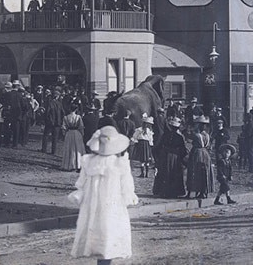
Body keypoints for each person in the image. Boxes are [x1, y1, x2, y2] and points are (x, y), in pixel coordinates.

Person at [69, 126, 138, 263]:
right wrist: (128, 197)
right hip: (112, 205)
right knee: (109, 235)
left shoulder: (89, 162)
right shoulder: (119, 163)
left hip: (93, 206)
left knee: (96, 235)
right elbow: (126, 186)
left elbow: (81, 184)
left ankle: (101, 261)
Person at [153, 117, 188, 198]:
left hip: (165, 156)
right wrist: (183, 158)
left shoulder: (165, 135)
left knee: (164, 172)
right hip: (175, 157)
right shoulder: (180, 137)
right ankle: (174, 192)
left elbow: (158, 147)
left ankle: (163, 191)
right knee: (174, 173)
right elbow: (183, 149)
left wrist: (158, 156)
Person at [185, 116, 214, 199]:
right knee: (204, 172)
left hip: (197, 153)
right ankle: (203, 191)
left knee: (194, 171)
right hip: (205, 153)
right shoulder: (207, 135)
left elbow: (190, 140)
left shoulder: (197, 135)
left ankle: (191, 191)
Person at [61, 103, 86, 172]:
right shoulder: (78, 117)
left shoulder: (66, 117)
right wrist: (82, 134)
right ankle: (78, 164)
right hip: (76, 133)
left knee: (69, 148)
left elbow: (63, 127)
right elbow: (81, 126)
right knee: (77, 148)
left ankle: (69, 164)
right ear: (76, 109)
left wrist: (64, 134)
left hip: (69, 133)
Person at [42, 90, 64, 154]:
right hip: (57, 123)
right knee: (55, 137)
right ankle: (53, 151)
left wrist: (45, 120)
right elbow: (63, 113)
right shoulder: (60, 104)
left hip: (50, 122)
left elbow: (47, 113)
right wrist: (61, 120)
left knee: (45, 135)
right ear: (57, 96)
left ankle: (44, 149)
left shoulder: (50, 103)